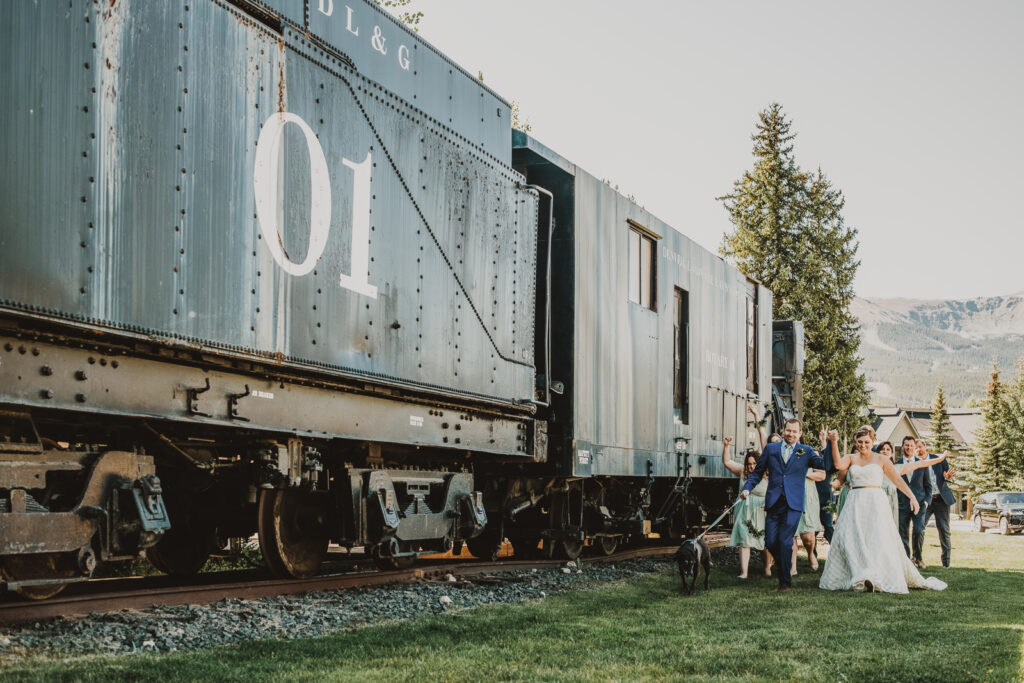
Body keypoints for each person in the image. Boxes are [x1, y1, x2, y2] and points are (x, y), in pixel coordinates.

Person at [819, 427, 947, 593]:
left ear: (872, 442)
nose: (863, 445)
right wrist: (834, 442)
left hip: (875, 501)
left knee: (876, 538)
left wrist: (912, 497)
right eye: (859, 442)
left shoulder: (881, 459)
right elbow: (837, 464)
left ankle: (875, 574)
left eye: (866, 442)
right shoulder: (851, 458)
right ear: (855, 443)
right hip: (855, 501)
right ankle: (858, 573)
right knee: (851, 537)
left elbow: (897, 480)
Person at [740, 418, 825, 591]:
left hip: (793, 504)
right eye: (788, 430)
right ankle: (784, 568)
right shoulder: (771, 449)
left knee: (785, 541)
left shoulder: (806, 451)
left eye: (795, 431)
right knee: (770, 542)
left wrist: (826, 445)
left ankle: (784, 582)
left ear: (800, 433)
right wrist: (747, 488)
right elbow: (757, 472)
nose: (791, 434)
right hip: (773, 502)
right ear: (783, 430)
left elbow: (824, 465)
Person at [722, 438, 771, 578]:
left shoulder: (767, 474)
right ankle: (744, 572)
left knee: (763, 542)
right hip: (744, 511)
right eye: (749, 464)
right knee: (744, 540)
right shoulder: (743, 472)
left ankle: (767, 568)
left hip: (760, 511)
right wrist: (726, 446)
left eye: (754, 463)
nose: (751, 466)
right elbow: (727, 462)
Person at [916, 438, 956, 568]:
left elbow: (946, 475)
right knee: (919, 527)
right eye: (915, 448)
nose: (918, 450)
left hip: (940, 499)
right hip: (925, 501)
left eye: (919, 447)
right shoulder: (914, 463)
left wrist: (948, 477)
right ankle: (917, 559)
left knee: (944, 530)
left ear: (925, 446)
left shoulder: (938, 459)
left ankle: (946, 563)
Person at [895, 435, 932, 568]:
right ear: (902, 446)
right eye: (906, 445)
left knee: (918, 530)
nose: (909, 447)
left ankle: (918, 557)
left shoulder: (921, 464)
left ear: (914, 447)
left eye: (911, 445)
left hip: (920, 504)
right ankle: (906, 560)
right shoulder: (896, 465)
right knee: (902, 532)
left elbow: (928, 486)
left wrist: (927, 501)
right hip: (902, 505)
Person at [792, 466, 826, 573]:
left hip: (808, 499)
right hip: (790, 495)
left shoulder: (809, 454)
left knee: (808, 537)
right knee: (791, 533)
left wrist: (805, 474)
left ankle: (810, 553)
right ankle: (792, 567)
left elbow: (822, 475)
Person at [877, 441, 900, 526]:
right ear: (878, 452)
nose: (885, 451)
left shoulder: (896, 468)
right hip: (877, 500)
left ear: (891, 453)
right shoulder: (874, 468)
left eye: (888, 449)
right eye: (882, 449)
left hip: (891, 500)